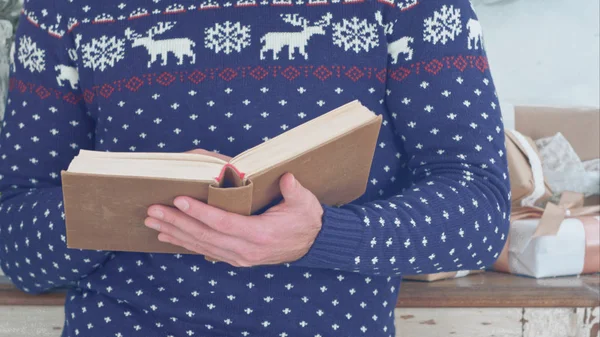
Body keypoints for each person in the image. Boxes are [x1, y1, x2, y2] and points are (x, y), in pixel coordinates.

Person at [0, 0, 510, 335]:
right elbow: (17, 246)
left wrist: (324, 236)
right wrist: (129, 201)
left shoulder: (412, 8)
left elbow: (480, 212)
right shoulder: (64, 12)